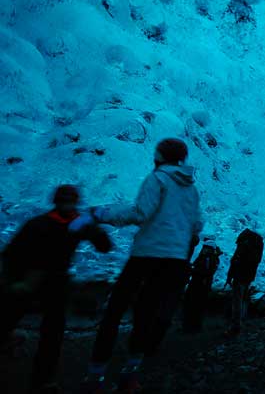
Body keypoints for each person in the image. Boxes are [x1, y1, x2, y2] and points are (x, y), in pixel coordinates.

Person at [83, 138, 203, 393]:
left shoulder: (157, 178)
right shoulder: (191, 189)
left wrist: (103, 215)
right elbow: (196, 226)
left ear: (159, 156)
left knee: (114, 311)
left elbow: (140, 213)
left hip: (147, 254)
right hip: (174, 260)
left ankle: (96, 376)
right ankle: (130, 375)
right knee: (146, 314)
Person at [0, 185, 111, 394]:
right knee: (48, 333)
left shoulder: (47, 223)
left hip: (41, 281)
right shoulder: (53, 224)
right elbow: (105, 247)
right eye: (67, 202)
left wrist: (93, 226)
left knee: (47, 332)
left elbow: (10, 252)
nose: (69, 206)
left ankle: (43, 379)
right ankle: (43, 381)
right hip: (34, 280)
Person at [224, 228, 263, 336]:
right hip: (249, 275)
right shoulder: (257, 244)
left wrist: (229, 275)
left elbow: (235, 259)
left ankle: (235, 326)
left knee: (237, 299)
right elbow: (257, 261)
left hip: (239, 274)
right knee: (244, 297)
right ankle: (242, 320)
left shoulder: (243, 244)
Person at [182, 237, 222, 333]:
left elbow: (206, 272)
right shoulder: (207, 257)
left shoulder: (209, 258)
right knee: (194, 304)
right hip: (199, 284)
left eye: (207, 248)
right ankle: (190, 325)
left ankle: (192, 326)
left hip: (200, 285)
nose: (205, 249)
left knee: (196, 304)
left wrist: (193, 270)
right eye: (205, 248)